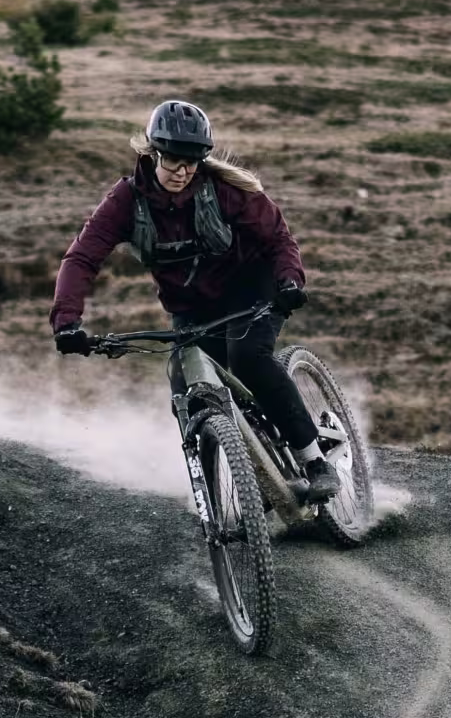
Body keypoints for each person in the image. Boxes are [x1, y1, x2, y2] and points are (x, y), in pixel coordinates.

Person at [50, 99, 338, 501]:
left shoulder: (223, 190)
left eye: (191, 162)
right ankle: (226, 501)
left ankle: (314, 461)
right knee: (187, 394)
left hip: (251, 289)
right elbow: (82, 257)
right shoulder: (125, 201)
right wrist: (67, 321)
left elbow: (278, 238)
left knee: (248, 358)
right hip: (190, 307)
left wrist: (289, 282)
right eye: (173, 161)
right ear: (153, 153)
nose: (182, 172)